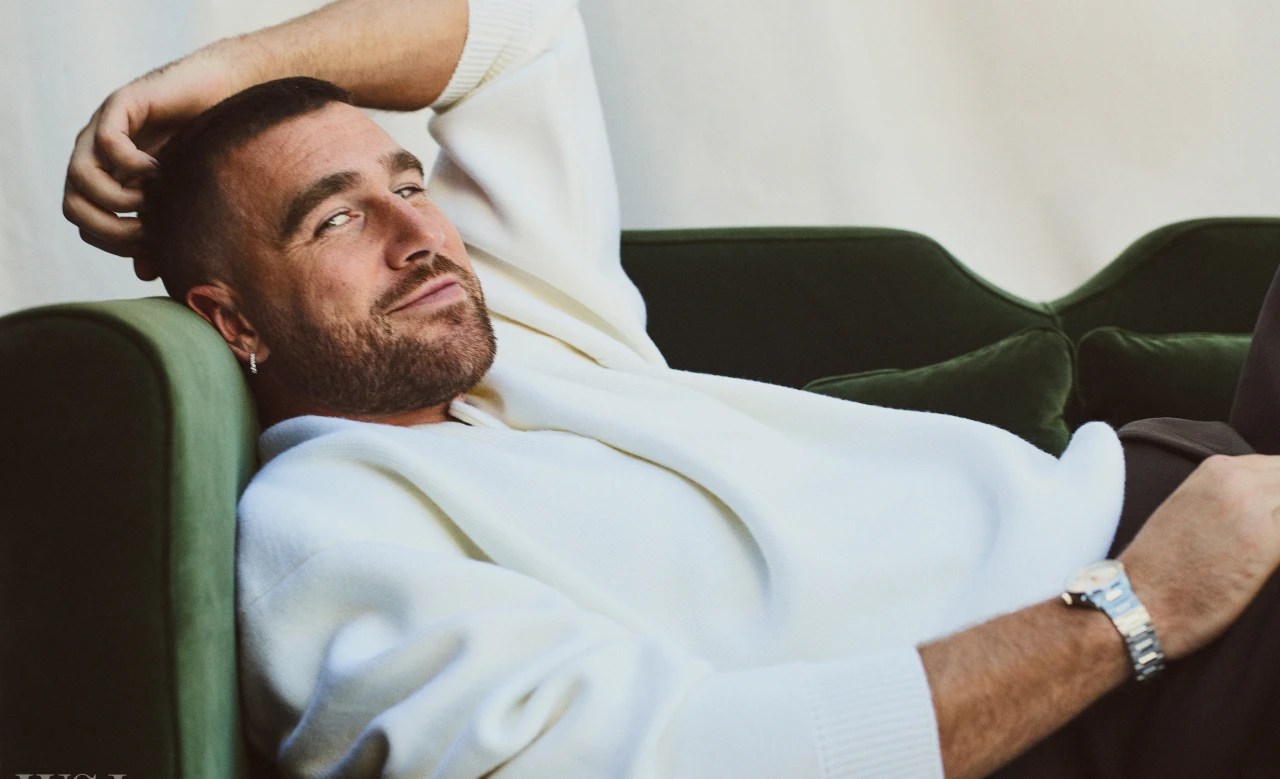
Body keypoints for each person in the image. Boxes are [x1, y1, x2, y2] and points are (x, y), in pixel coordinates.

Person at [62, 0, 1280, 776]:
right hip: (1138, 666)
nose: (419, 237)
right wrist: (1139, 606)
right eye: (336, 218)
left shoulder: (520, 336)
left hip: (1181, 499)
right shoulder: (326, 537)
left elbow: (520, 31)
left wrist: (215, 73)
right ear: (232, 319)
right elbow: (663, 760)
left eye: (409, 183)